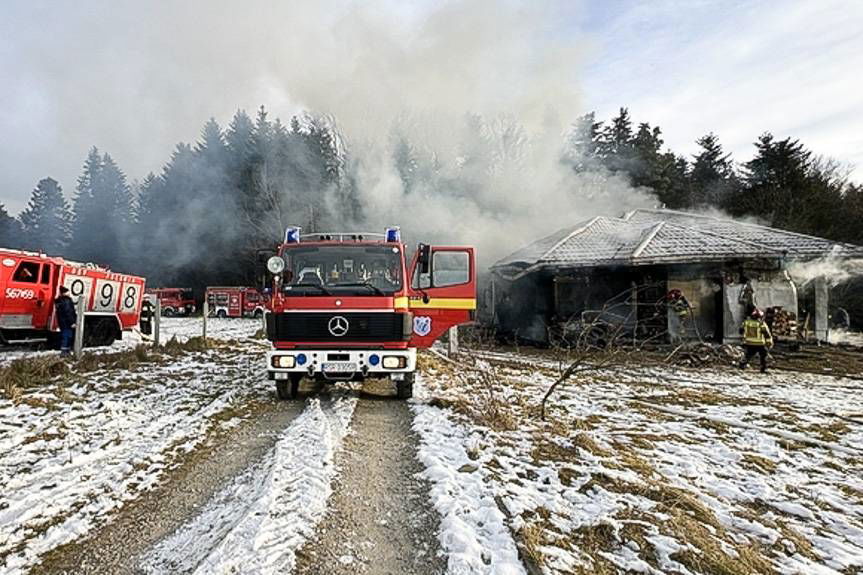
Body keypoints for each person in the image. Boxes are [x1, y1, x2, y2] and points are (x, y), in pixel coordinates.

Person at [739, 308, 773, 373]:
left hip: (749, 342)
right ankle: (763, 368)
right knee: (763, 356)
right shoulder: (761, 324)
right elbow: (767, 334)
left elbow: (740, 331)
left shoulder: (746, 322)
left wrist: (744, 338)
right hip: (760, 343)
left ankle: (742, 364)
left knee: (748, 355)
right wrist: (769, 343)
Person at [55, 286, 77, 356]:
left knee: (64, 335)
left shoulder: (59, 301)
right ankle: (65, 352)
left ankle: (65, 351)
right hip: (67, 322)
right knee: (68, 336)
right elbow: (68, 312)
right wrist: (72, 322)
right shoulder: (66, 301)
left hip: (62, 321)